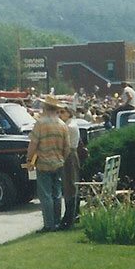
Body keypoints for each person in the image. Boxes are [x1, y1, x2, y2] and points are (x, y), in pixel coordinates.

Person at [26, 94, 69, 233]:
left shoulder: (40, 123)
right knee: (57, 193)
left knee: (45, 195)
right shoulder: (62, 125)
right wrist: (62, 158)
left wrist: (29, 159)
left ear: (45, 107)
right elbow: (67, 147)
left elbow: (33, 144)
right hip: (58, 162)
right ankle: (57, 222)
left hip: (44, 163)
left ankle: (48, 224)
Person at [57, 104, 80, 230]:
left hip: (69, 155)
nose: (60, 115)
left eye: (62, 112)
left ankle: (69, 217)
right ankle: (74, 214)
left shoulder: (68, 126)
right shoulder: (72, 124)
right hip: (71, 154)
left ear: (69, 113)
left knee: (69, 185)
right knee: (71, 184)